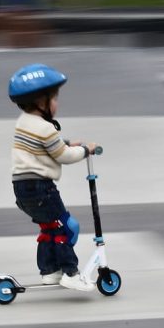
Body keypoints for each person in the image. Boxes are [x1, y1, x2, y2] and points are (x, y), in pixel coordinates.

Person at [9, 63, 98, 291]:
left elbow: (43, 146)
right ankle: (70, 273)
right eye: (54, 98)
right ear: (41, 102)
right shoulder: (46, 128)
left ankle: (50, 271)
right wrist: (85, 150)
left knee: (49, 228)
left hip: (21, 188)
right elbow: (63, 156)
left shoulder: (24, 122)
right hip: (41, 188)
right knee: (66, 228)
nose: (57, 104)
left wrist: (67, 141)